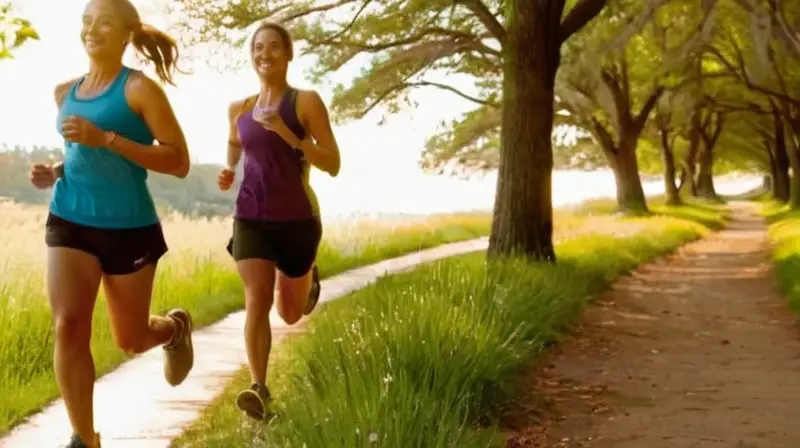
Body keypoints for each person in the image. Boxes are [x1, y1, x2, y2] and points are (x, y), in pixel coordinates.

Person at [28, 1, 194, 446]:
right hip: (70, 218)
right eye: (87, 21)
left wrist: (108, 139)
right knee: (68, 325)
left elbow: (178, 161)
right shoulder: (65, 92)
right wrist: (55, 171)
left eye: (104, 22)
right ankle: (85, 438)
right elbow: (79, 155)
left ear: (126, 34)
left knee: (132, 339)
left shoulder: (139, 89)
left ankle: (174, 329)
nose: (92, 30)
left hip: (129, 227)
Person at [217, 20, 341, 421]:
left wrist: (290, 136)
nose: (264, 54)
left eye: (273, 47)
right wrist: (228, 169)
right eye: (258, 47)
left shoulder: (305, 102)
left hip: (297, 219)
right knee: (257, 299)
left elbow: (333, 163)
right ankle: (259, 388)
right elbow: (235, 143)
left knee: (289, 313)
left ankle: (307, 279)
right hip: (251, 216)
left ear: (288, 54)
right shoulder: (239, 109)